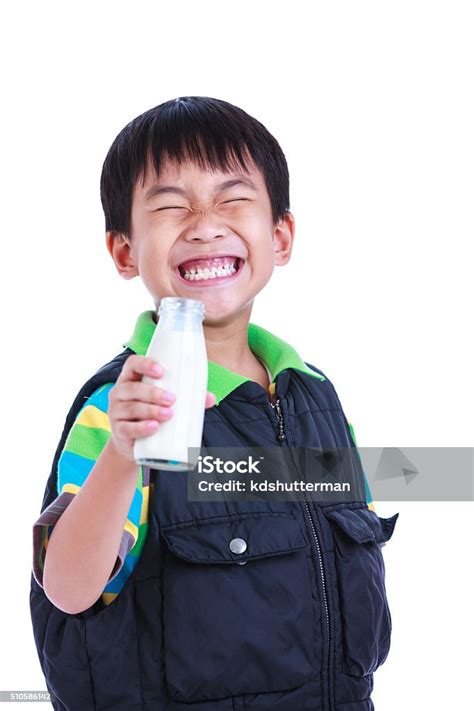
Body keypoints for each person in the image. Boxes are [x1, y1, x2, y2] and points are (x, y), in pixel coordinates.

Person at [30, 96, 398, 711]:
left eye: (232, 200)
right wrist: (125, 454)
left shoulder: (315, 395)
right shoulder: (119, 407)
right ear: (124, 251)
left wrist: (446, 469)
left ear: (279, 237)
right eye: (172, 206)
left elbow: (332, 512)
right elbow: (68, 590)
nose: (205, 224)